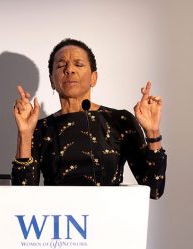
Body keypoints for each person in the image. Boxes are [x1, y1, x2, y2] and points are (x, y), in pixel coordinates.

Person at [11, 38, 167, 199]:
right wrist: (24, 134)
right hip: (58, 221)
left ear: (94, 77)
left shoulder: (119, 120)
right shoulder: (39, 128)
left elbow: (154, 190)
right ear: (52, 80)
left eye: (78, 64)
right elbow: (22, 198)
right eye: (61, 65)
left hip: (109, 220)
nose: (69, 70)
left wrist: (153, 132)